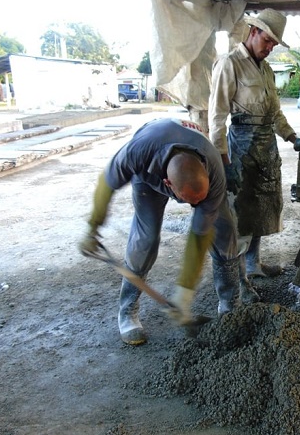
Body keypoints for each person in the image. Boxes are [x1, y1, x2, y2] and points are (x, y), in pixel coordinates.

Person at [79, 117, 246, 346]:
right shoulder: (136, 153)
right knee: (144, 240)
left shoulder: (213, 173)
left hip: (193, 164)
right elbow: (107, 183)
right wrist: (92, 228)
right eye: (189, 202)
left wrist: (183, 294)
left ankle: (230, 309)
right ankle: (127, 312)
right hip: (148, 176)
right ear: (169, 185)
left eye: (199, 202)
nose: (195, 207)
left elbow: (198, 236)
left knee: (225, 234)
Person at [208, 8, 300, 280]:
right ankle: (237, 280)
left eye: (274, 43)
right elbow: (217, 119)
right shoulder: (230, 63)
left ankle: (253, 266)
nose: (270, 47)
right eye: (267, 40)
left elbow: (275, 115)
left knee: (261, 211)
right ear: (253, 32)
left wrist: (294, 139)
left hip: (267, 152)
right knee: (240, 216)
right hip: (240, 150)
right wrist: (224, 162)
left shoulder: (267, 70)